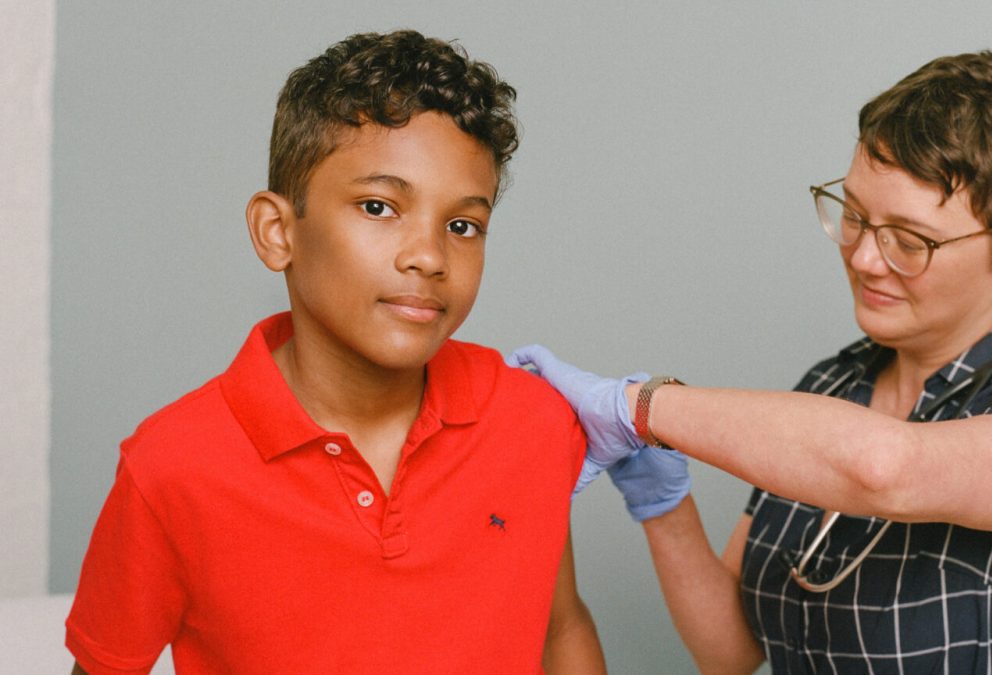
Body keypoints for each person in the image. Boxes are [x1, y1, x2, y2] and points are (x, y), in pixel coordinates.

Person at [512, 51, 992, 673]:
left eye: (909, 241)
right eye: (856, 217)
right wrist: (663, 504)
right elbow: (728, 651)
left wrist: (639, 407)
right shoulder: (830, 386)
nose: (864, 257)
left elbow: (885, 468)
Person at [66, 30, 604, 674]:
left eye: (462, 226)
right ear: (277, 231)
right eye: (379, 207)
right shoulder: (171, 469)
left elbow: (560, 627)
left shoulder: (532, 420)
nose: (429, 256)